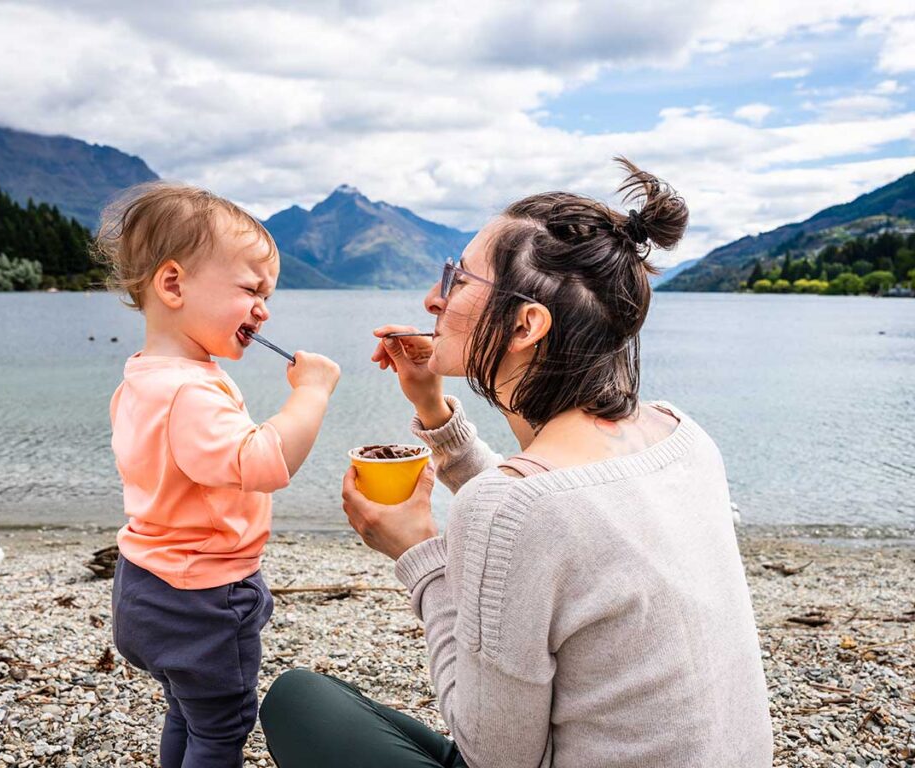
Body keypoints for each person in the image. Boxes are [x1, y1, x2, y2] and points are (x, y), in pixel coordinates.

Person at [260, 159, 773, 767]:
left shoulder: (508, 511)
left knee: (298, 700)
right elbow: (557, 516)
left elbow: (497, 756)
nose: (433, 298)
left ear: (526, 324)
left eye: (458, 279)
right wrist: (432, 408)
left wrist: (419, 553)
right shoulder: (680, 432)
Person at [97, 183, 340, 768]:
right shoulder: (189, 391)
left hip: (145, 582)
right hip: (201, 597)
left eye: (268, 295)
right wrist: (311, 395)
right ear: (174, 284)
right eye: (252, 289)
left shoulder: (143, 378)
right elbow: (262, 463)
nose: (264, 309)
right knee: (222, 725)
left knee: (189, 711)